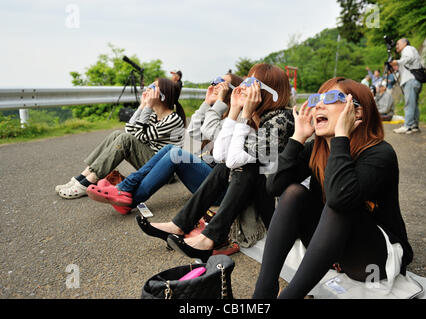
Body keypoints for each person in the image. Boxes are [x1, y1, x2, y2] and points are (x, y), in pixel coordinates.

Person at [252, 77, 413, 299]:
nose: (318, 104)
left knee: (338, 204)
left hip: (372, 256)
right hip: (333, 248)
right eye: (317, 98)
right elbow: (274, 186)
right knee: (294, 193)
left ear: (357, 112)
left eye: (331, 98)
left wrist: (341, 138)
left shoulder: (379, 153)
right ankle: (263, 292)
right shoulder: (316, 149)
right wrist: (298, 138)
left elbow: (339, 199)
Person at [138, 63, 295, 262]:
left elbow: (234, 159)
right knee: (226, 164)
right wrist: (234, 111)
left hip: (277, 207)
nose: (245, 86)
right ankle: (182, 224)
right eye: (245, 81)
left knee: (245, 166)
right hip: (247, 191)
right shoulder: (255, 116)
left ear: (268, 90)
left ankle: (210, 237)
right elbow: (221, 156)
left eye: (252, 82)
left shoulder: (282, 119)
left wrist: (243, 114)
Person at [86, 73, 243, 215]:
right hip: (207, 179)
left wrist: (218, 104)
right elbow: (190, 141)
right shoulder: (215, 114)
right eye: (214, 81)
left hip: (222, 191)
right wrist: (206, 103)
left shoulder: (236, 120)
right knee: (172, 149)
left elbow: (212, 132)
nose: (215, 85)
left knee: (176, 153)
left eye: (221, 83)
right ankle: (125, 191)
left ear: (234, 91)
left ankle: (128, 196)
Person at [55, 78, 186, 199]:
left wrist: (147, 107)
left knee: (124, 139)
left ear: (162, 95)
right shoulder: (153, 116)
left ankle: (88, 182)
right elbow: (129, 130)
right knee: (117, 134)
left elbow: (138, 135)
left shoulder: (172, 119)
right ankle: (82, 177)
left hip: (163, 171)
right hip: (151, 162)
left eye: (153, 86)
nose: (148, 88)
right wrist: (141, 106)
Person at [390, 38, 423, 134]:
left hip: (410, 81)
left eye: (398, 44)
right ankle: (414, 125)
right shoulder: (410, 49)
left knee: (409, 104)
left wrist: (397, 62)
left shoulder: (407, 49)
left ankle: (407, 126)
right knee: (414, 104)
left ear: (404, 43)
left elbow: (409, 58)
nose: (396, 46)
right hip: (415, 81)